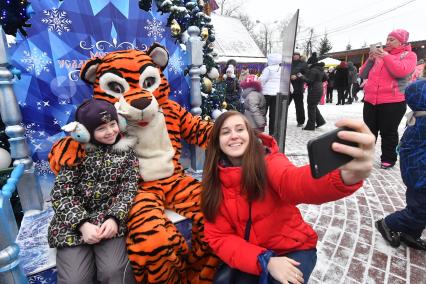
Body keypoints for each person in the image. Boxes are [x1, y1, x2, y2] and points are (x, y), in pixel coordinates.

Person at [201, 111, 375, 284]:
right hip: (251, 252)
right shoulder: (214, 182)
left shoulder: (268, 161)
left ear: (250, 134)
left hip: (292, 248)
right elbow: (219, 237)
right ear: (217, 141)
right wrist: (264, 261)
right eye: (225, 132)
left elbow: (292, 182)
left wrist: (344, 176)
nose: (233, 136)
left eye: (240, 129)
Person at [48, 99, 140, 284]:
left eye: (113, 124)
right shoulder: (75, 151)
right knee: (75, 279)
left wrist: (115, 218)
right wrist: (82, 224)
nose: (110, 131)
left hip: (108, 219)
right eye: (101, 128)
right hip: (72, 225)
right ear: (86, 132)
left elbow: (129, 186)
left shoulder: (126, 151)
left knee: (114, 271)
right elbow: (61, 194)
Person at [375, 80, 426, 251]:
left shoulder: (419, 118)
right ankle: (388, 223)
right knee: (421, 210)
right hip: (421, 175)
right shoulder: (423, 121)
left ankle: (411, 234)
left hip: (418, 174)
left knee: (418, 206)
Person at [359, 28, 417, 169]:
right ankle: (365, 157)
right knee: (368, 131)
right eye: (387, 39)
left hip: (393, 101)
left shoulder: (409, 55)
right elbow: (362, 73)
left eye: (392, 39)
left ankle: (388, 158)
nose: (388, 42)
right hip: (371, 99)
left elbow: (400, 71)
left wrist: (385, 56)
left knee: (388, 131)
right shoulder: (381, 55)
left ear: (402, 41)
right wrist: (370, 60)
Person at [298, 61, 328, 130]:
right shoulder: (321, 70)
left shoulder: (313, 70)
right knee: (313, 106)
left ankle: (310, 126)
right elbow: (326, 78)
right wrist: (318, 81)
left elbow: (309, 81)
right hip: (319, 88)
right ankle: (320, 121)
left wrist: (301, 76)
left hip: (314, 89)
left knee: (311, 107)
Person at [259, 53, 281, 135]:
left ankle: (261, 130)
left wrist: (259, 87)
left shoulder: (268, 69)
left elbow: (262, 80)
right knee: (273, 114)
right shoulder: (281, 69)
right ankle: (272, 132)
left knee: (262, 112)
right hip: (277, 94)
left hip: (266, 93)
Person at [290, 52, 308, 127]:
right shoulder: (288, 62)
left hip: (298, 88)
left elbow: (306, 74)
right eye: (294, 55)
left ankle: (300, 121)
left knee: (299, 105)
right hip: (288, 87)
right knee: (283, 105)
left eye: (297, 55)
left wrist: (297, 77)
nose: (295, 56)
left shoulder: (303, 64)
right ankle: (281, 120)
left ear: (299, 56)